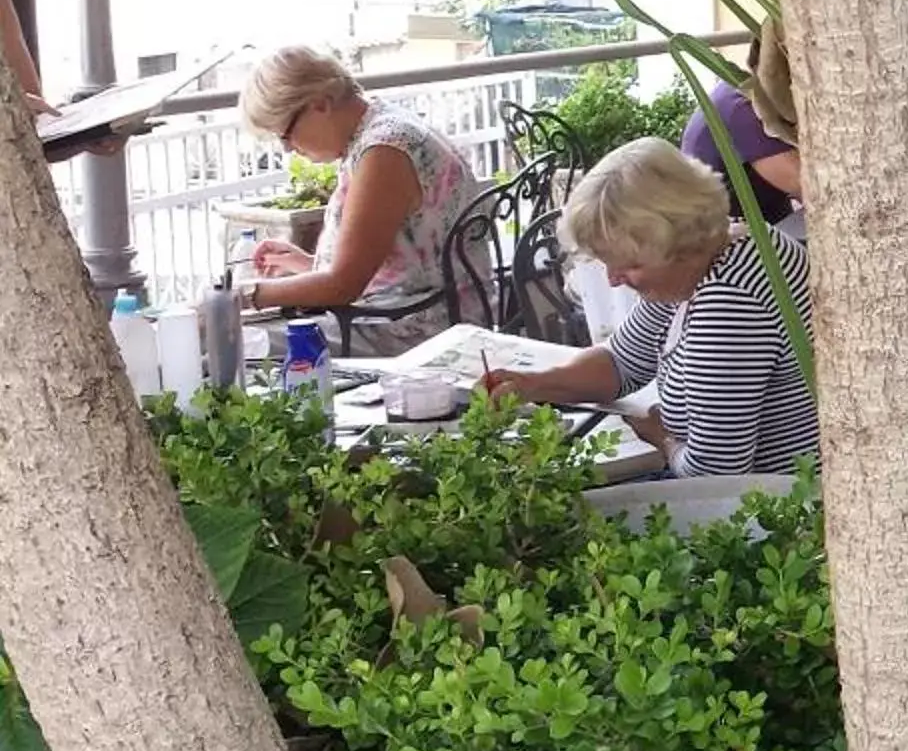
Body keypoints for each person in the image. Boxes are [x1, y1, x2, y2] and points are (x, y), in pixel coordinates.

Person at [487, 139, 819, 478]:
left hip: (774, 509)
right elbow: (620, 362)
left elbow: (715, 474)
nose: (613, 279)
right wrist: (531, 384)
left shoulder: (729, 301)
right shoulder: (720, 248)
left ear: (677, 243)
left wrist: (660, 436)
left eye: (629, 265)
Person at [235, 46, 477, 354]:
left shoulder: (384, 152)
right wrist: (309, 264)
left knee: (236, 346)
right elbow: (393, 265)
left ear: (319, 104)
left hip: (415, 333)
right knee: (241, 340)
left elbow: (344, 285)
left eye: (285, 135)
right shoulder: (383, 129)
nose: (289, 149)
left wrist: (246, 295)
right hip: (414, 311)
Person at [681, 79, 803, 226]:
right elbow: (806, 185)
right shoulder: (739, 109)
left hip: (767, 218)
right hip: (738, 237)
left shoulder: (736, 88)